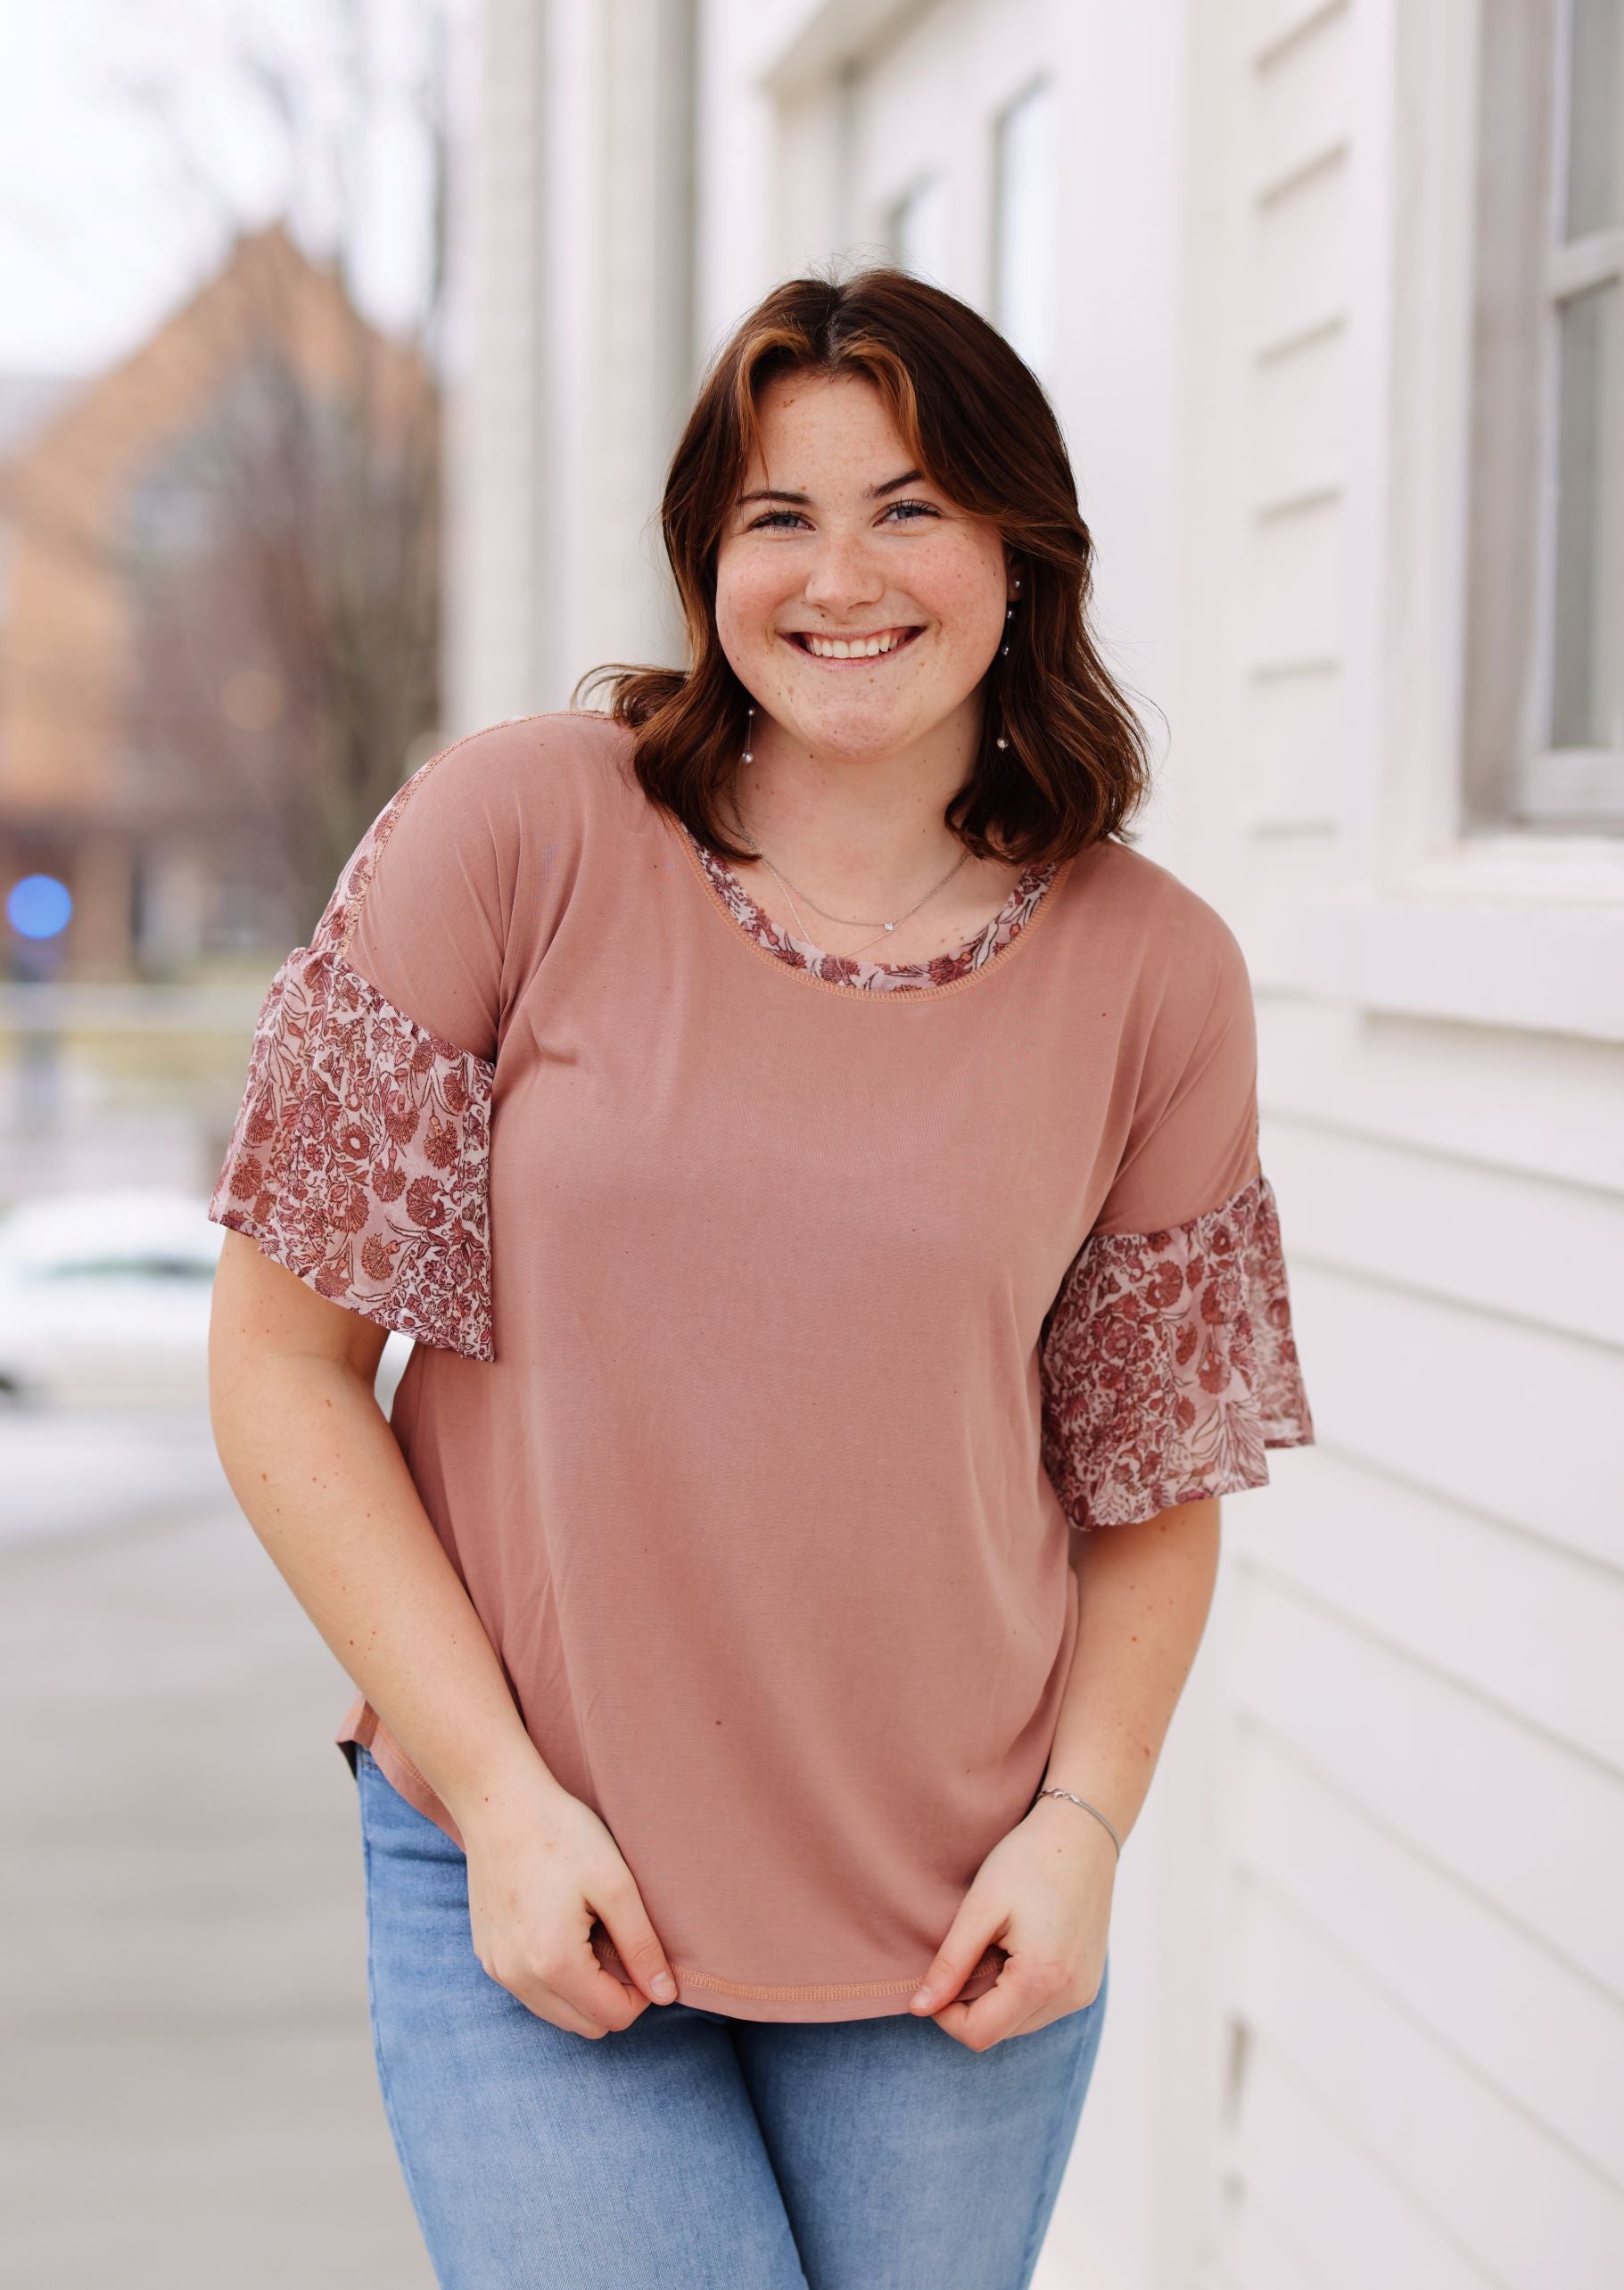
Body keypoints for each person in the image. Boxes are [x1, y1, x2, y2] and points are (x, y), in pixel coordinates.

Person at [206, 267, 1314, 2290]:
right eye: (774, 517)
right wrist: (498, 1801)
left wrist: (1077, 1832)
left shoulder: (1153, 975)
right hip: (536, 1865)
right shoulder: (518, 834)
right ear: (702, 558)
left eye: (906, 505)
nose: (840, 576)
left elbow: (1149, 1488)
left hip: (947, 1912)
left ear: (1015, 548)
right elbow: (282, 1365)